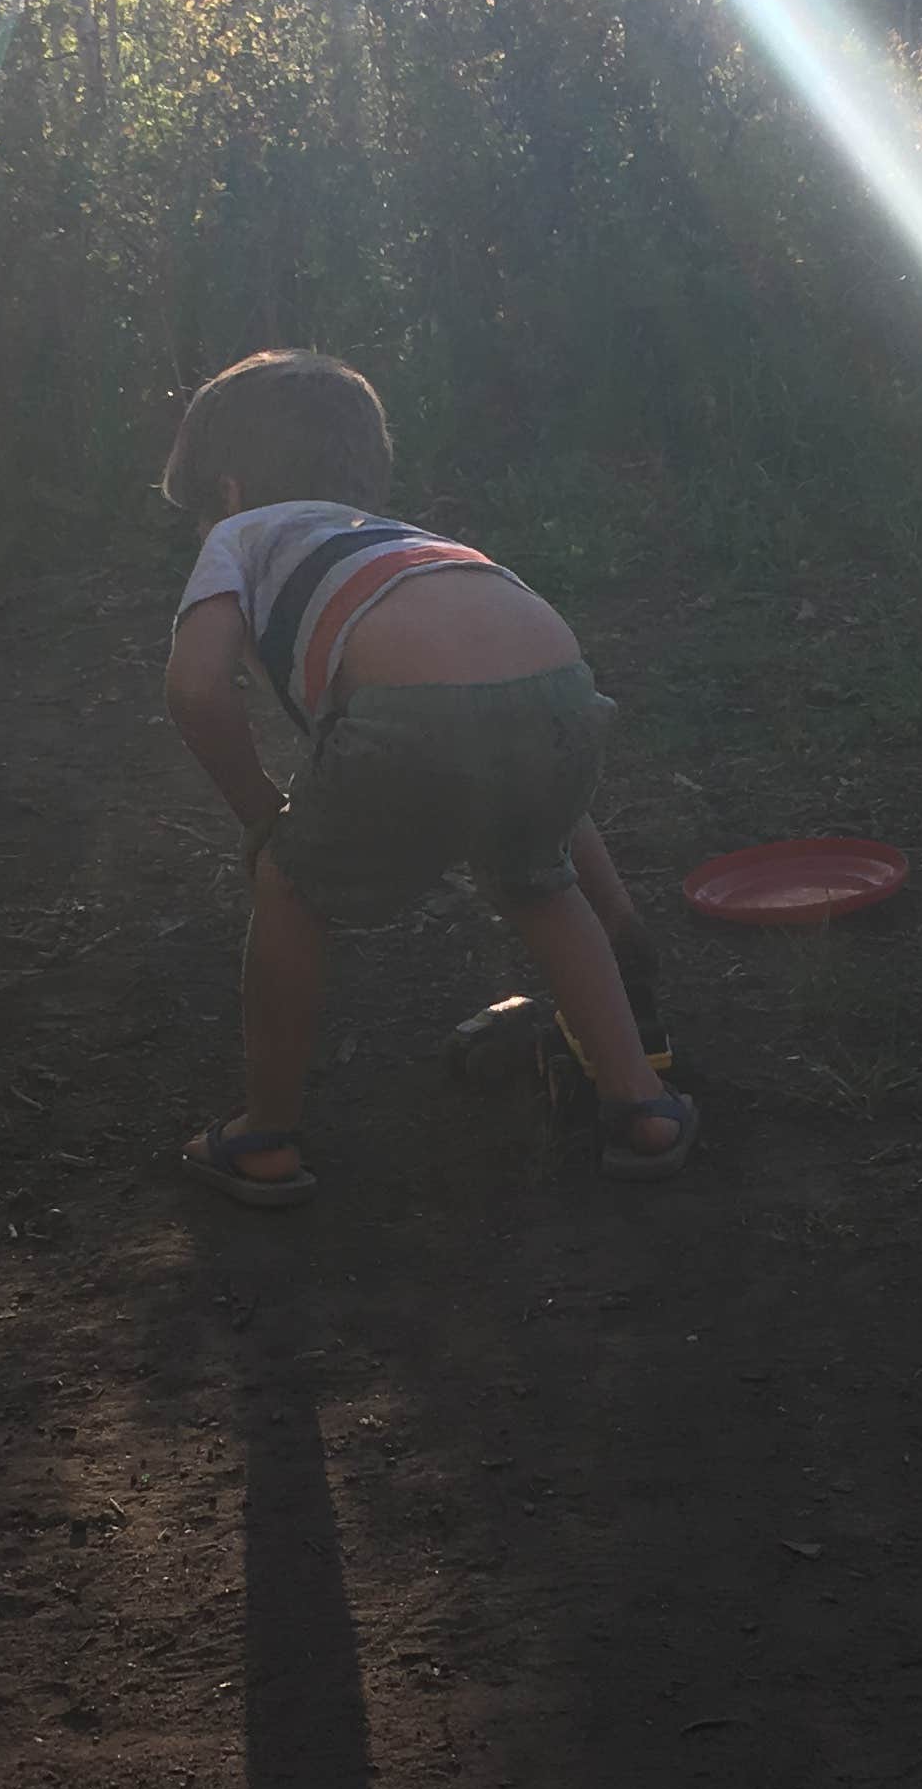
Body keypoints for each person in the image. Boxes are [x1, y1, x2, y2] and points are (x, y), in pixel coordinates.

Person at [159, 348, 695, 1205]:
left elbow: (193, 689)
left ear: (226, 490)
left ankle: (265, 1134)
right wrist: (621, 918)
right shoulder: (422, 548)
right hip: (565, 690)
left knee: (291, 887)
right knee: (538, 881)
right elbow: (523, 749)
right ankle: (642, 1106)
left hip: (411, 721)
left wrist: (260, 811)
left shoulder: (240, 534)